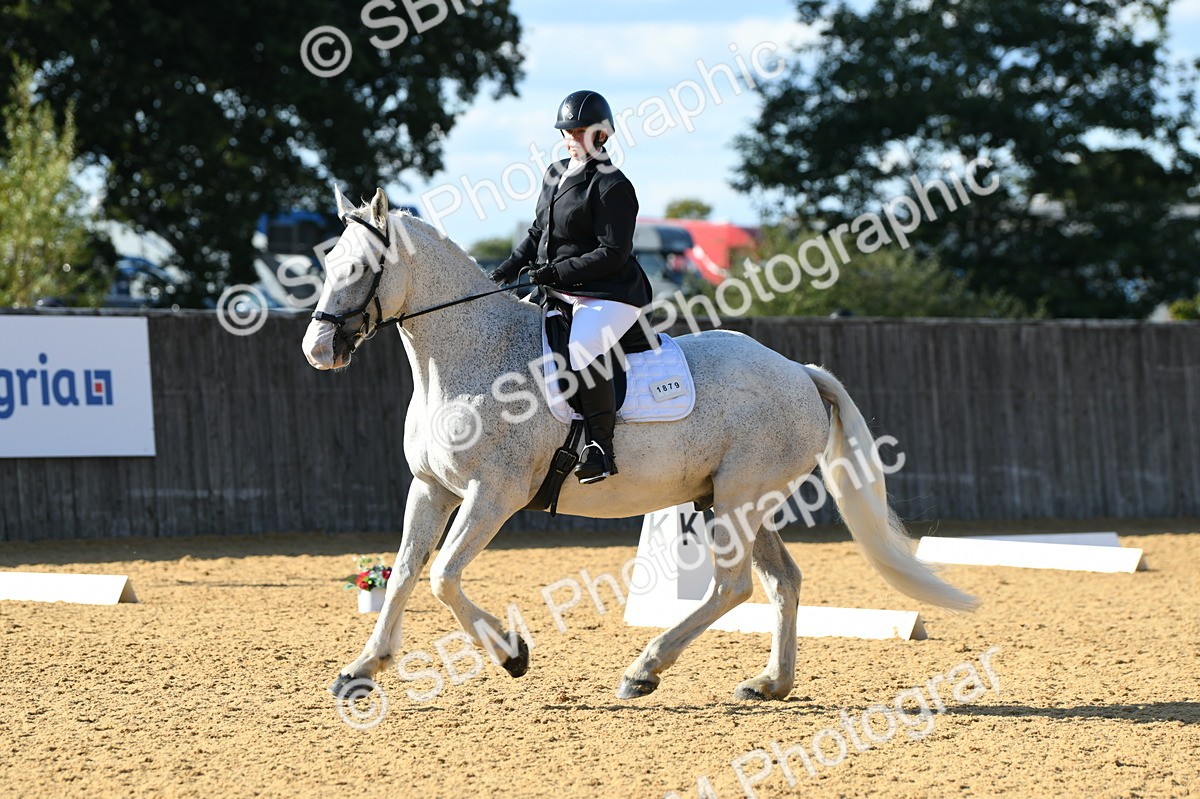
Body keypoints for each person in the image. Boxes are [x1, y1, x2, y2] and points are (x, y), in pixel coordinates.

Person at [490, 90, 652, 484]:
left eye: (580, 131)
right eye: (567, 131)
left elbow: (613, 253)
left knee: (583, 348)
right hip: (560, 287)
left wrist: (558, 273)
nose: (570, 138)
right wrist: (506, 269)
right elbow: (537, 232)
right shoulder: (554, 173)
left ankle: (601, 448)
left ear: (601, 136)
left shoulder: (614, 186)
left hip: (610, 292)